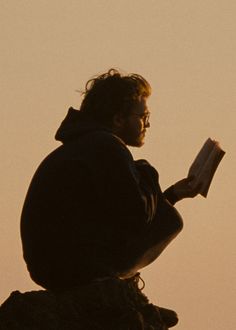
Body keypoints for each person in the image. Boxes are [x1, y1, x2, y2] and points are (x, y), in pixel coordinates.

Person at [20, 69, 200, 329]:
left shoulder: (84, 145)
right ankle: (120, 293)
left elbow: (116, 211)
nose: (147, 124)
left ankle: (128, 297)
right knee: (171, 220)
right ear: (118, 118)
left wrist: (172, 194)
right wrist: (148, 172)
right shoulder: (107, 146)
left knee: (167, 210)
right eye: (142, 116)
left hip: (52, 266)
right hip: (76, 267)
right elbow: (136, 217)